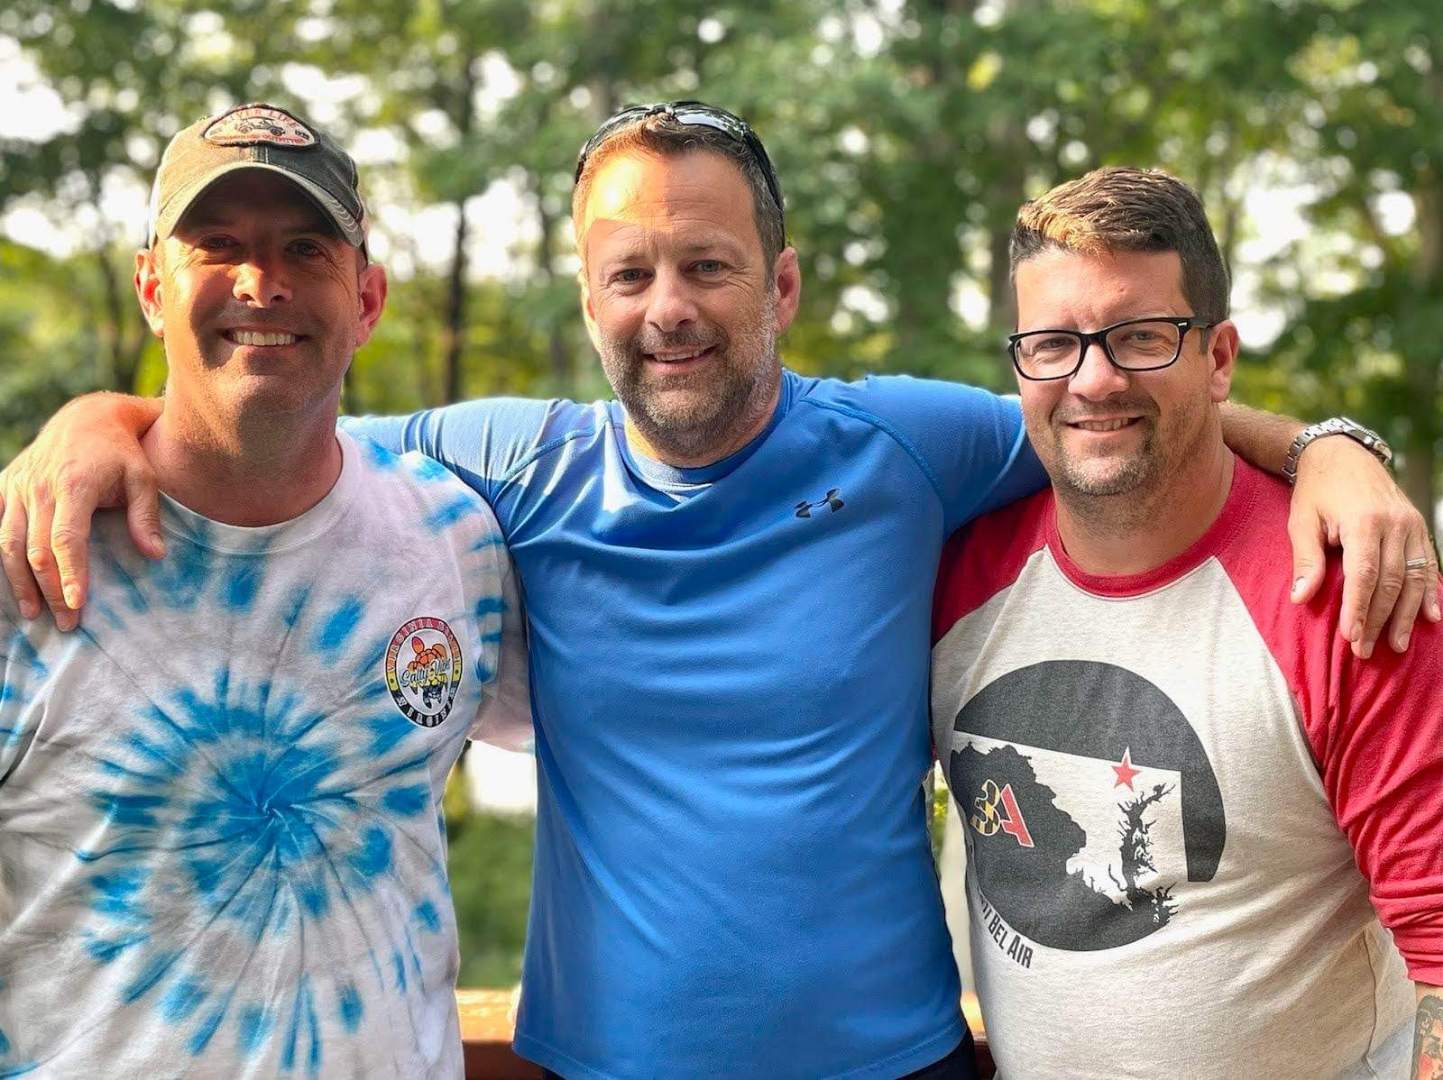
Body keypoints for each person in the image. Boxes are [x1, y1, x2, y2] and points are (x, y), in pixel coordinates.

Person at [0, 103, 1435, 1079]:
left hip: (891, 1059)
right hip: (595, 1061)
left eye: (707, 265)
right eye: (628, 272)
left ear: (781, 285)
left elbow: (1113, 403)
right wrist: (93, 420)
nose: (667, 305)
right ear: (585, 296)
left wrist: (1331, 452)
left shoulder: (905, 448)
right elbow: (257, 425)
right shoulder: (505, 466)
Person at [0, 103, 529, 1078]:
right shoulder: (28, 559)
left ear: (367, 299)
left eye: (305, 248)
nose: (262, 282)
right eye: (218, 244)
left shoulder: (455, 541)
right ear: (153, 286)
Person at [931, 166, 1443, 1079]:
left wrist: (1327, 446)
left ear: (1216, 358)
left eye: (1139, 337)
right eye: (1052, 344)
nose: (1092, 378)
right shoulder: (951, 577)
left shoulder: (1345, 595)